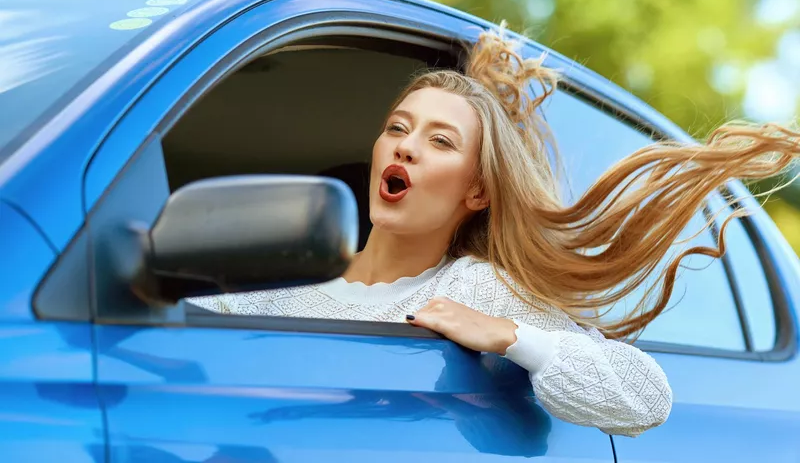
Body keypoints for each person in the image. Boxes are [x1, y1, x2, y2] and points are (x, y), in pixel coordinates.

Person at [191, 28, 800, 437]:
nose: (407, 145)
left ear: (475, 192)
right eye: (398, 128)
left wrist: (510, 335)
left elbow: (645, 398)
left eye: (440, 141)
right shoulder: (280, 285)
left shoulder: (476, 289)